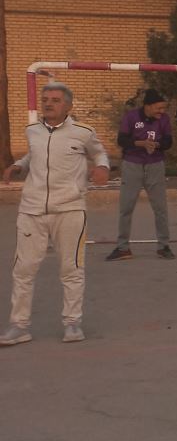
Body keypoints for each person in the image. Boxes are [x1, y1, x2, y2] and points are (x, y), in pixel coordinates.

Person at [2, 82, 110, 345]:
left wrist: (102, 168)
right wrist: (18, 165)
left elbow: (100, 154)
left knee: (71, 269)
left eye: (55, 100)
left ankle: (72, 323)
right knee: (23, 270)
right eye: (45, 99)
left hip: (70, 209)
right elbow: (33, 156)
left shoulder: (83, 132)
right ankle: (19, 326)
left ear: (68, 105)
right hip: (32, 209)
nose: (48, 104)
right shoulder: (32, 131)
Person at [107, 88, 175, 261]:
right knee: (126, 208)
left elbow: (168, 141)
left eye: (163, 108)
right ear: (148, 106)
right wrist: (141, 144)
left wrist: (156, 145)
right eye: (158, 108)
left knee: (160, 208)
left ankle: (164, 246)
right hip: (132, 165)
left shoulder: (164, 119)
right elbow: (122, 140)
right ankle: (123, 248)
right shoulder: (131, 117)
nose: (162, 111)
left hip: (155, 165)